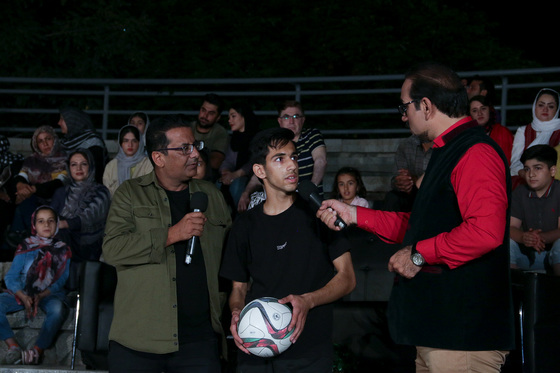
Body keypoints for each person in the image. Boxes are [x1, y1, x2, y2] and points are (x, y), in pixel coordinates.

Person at [317, 62, 514, 372]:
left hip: (463, 336)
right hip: (439, 333)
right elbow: (420, 226)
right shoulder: (445, 151)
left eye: (404, 105)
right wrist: (355, 213)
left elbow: (485, 233)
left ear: (425, 105)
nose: (403, 114)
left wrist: (420, 255)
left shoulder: (475, 151)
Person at [102, 115, 232, 372]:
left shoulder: (212, 196)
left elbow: (231, 255)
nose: (195, 153)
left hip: (200, 341)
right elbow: (113, 249)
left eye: (196, 146)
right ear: (158, 158)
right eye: (185, 148)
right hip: (138, 342)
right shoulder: (130, 193)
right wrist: (171, 234)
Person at [220, 127, 355, 373]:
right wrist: (237, 312)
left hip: (308, 352)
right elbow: (238, 288)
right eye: (279, 159)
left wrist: (308, 300)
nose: (292, 165)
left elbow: (347, 278)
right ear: (260, 170)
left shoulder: (321, 215)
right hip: (255, 352)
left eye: (293, 156)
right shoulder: (244, 225)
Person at [0, 205, 71, 365]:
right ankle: (13, 347)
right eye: (41, 221)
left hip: (49, 294)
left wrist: (41, 294)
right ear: (34, 225)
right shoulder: (25, 246)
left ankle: (37, 351)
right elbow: (11, 277)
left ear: (57, 224)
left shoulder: (63, 249)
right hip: (22, 293)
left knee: (57, 309)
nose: (46, 225)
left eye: (50, 221)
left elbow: (62, 279)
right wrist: (23, 295)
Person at [238, 100, 328, 211]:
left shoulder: (311, 136)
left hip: (311, 202)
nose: (291, 121)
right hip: (283, 204)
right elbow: (262, 170)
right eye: (286, 117)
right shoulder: (274, 143)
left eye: (296, 116)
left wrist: (310, 191)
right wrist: (246, 193)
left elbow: (321, 161)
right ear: (279, 121)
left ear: (303, 120)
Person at [50, 149, 111, 287]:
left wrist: (65, 224)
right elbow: (50, 216)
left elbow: (89, 216)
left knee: (58, 235)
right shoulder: (61, 192)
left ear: (90, 166)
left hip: (89, 242)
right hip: (64, 238)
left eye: (83, 164)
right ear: (68, 168)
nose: (78, 168)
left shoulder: (101, 192)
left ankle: (64, 289)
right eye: (73, 164)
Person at [7, 126, 67, 241]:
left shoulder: (65, 159)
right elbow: (21, 176)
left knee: (25, 201)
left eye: (48, 139)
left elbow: (58, 183)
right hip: (35, 197)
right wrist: (20, 186)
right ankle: (25, 237)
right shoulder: (31, 160)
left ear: (54, 140)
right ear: (36, 145)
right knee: (24, 199)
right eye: (40, 141)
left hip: (57, 198)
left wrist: (31, 189)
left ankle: (22, 235)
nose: (45, 143)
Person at [510, 145, 560, 275]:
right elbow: (511, 227)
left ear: (552, 170)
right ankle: (515, 289)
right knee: (507, 244)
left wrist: (539, 238)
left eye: (538, 168)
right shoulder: (520, 192)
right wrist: (523, 237)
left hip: (553, 254)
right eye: (527, 169)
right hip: (527, 254)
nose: (531, 174)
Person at [510, 88, 560, 188]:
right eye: (541, 105)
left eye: (550, 106)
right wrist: (526, 174)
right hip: (526, 178)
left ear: (557, 109)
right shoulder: (523, 131)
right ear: (534, 107)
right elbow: (515, 163)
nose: (545, 109)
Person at [218, 102, 260, 214]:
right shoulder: (234, 138)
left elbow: (254, 162)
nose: (229, 120)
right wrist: (225, 171)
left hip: (252, 177)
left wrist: (235, 174)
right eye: (229, 117)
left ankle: (241, 218)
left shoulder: (256, 138)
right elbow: (228, 160)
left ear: (243, 116)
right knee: (218, 184)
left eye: (233, 116)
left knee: (237, 185)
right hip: (234, 174)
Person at [58, 105, 109, 184]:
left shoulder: (93, 142)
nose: (59, 123)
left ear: (71, 120)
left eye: (62, 119)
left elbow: (95, 174)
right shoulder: (66, 142)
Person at [383, 134, 432, 212]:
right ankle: (390, 223)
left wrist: (415, 180)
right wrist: (402, 181)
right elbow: (395, 180)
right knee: (392, 197)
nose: (405, 120)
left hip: (436, 193)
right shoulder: (407, 144)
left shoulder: (446, 143)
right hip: (412, 194)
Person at [102, 125, 153, 196]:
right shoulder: (111, 165)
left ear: (139, 142)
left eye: (134, 141)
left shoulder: (148, 163)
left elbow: (149, 189)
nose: (130, 145)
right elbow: (107, 191)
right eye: (126, 141)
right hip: (116, 205)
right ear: (120, 143)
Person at [190, 93, 229, 181]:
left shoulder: (220, 132)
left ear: (218, 117)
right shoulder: (188, 128)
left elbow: (216, 162)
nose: (205, 115)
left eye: (211, 113)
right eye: (203, 110)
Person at [469, 95, 513, 163]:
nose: (480, 113)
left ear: (490, 110)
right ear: (470, 115)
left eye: (483, 108)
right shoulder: (467, 136)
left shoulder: (503, 132)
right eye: (474, 111)